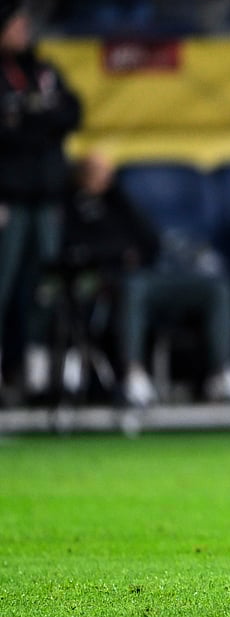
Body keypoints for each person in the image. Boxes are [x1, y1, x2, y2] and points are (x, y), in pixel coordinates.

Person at [61, 151, 230, 407]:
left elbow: (149, 241)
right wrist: (120, 255)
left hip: (153, 275)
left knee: (218, 287)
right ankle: (133, 375)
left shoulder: (119, 201)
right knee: (133, 287)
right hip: (115, 282)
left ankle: (224, 371)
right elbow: (77, 249)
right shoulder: (70, 207)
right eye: (96, 171)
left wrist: (119, 203)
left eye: (106, 172)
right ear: (81, 174)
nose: (103, 177)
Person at [0, 1, 81, 396]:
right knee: (4, 285)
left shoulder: (44, 70)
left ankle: (34, 367)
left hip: (46, 199)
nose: (23, 29)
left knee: (43, 287)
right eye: (15, 23)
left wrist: (28, 118)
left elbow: (73, 112)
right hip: (8, 201)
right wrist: (39, 121)